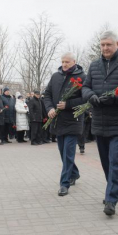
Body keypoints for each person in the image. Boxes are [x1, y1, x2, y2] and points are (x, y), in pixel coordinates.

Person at [82, 30, 118, 216]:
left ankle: (111, 199)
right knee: (106, 162)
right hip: (100, 121)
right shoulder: (94, 65)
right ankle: (116, 189)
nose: (105, 48)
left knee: (115, 159)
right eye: (102, 45)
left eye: (109, 44)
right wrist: (91, 97)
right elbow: (85, 87)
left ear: (117, 44)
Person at [44, 52, 86, 196]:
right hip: (58, 121)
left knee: (68, 153)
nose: (64, 64)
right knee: (63, 152)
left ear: (74, 61)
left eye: (67, 61)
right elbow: (47, 94)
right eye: (62, 61)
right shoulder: (56, 76)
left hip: (73, 121)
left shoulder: (82, 78)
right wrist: (49, 108)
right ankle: (74, 173)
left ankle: (64, 184)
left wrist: (68, 104)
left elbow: (85, 99)